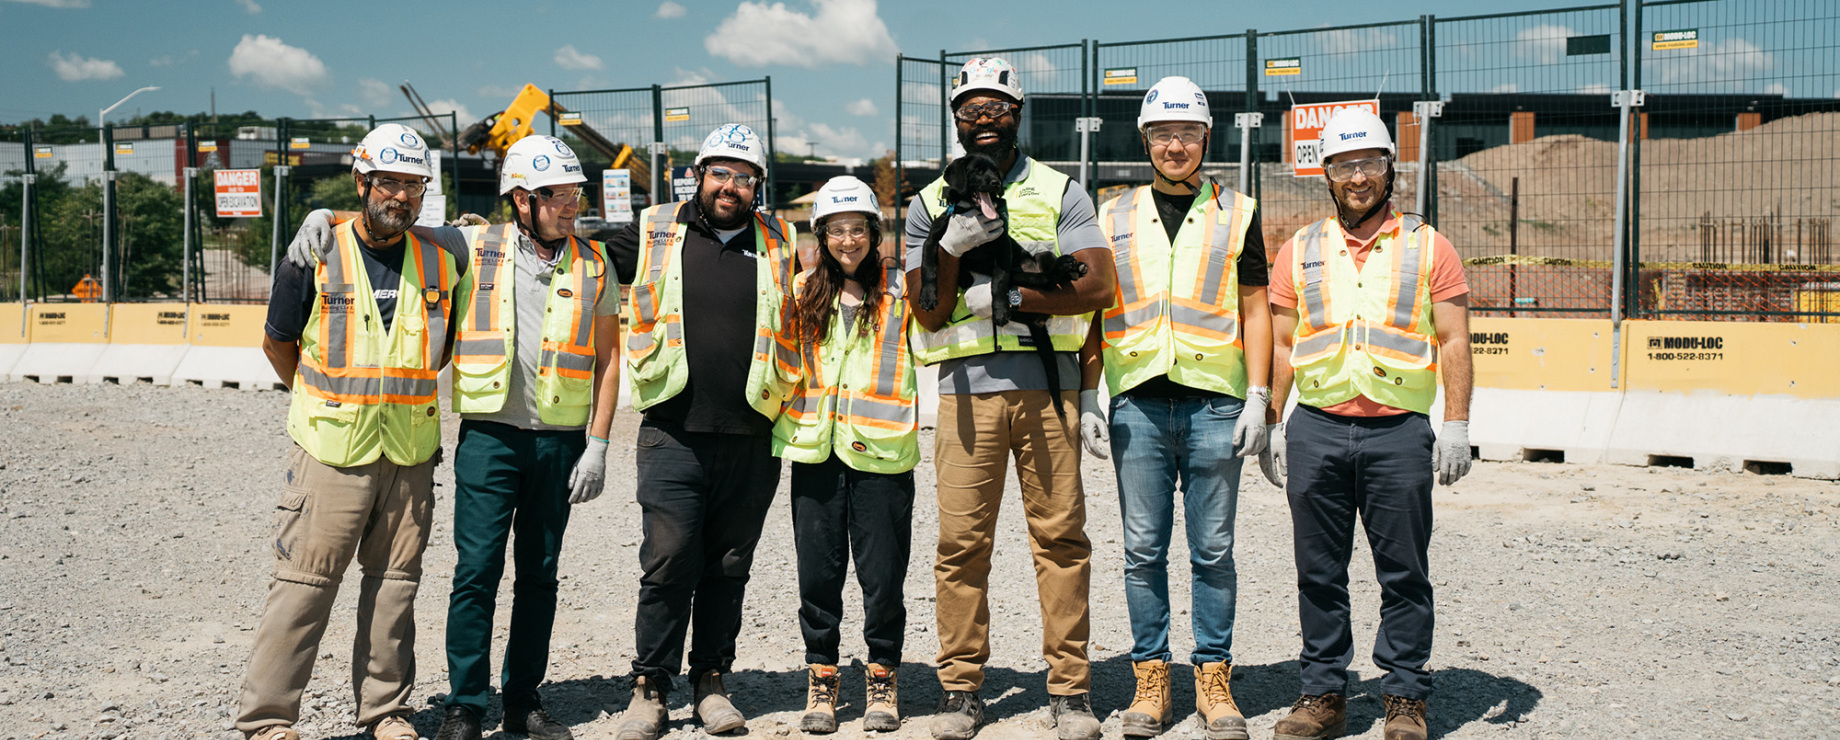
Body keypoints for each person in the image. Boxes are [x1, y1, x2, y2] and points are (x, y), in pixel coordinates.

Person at [284, 135, 624, 740]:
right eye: (559, 195)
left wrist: (598, 443)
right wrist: (326, 215)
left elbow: (609, 359)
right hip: (489, 439)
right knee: (477, 572)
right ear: (521, 200)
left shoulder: (595, 263)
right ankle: (466, 704)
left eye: (576, 193)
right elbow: (390, 218)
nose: (572, 205)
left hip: (559, 442)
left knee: (540, 573)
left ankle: (523, 701)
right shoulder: (472, 244)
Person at [905, 57, 1117, 740]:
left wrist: (1013, 294)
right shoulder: (926, 201)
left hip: (1047, 392)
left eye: (996, 107)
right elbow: (925, 311)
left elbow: (1097, 287)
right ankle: (961, 690)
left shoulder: (1061, 192)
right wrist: (949, 252)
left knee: (1061, 540)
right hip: (966, 397)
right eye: (971, 110)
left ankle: (1070, 691)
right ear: (956, 121)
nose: (984, 120)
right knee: (961, 544)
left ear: (1018, 113)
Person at [238, 123, 463, 740]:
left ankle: (386, 712)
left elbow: (437, 353)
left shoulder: (443, 259)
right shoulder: (315, 251)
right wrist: (318, 399)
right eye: (389, 182)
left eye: (414, 184)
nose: (402, 196)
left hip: (410, 449)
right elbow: (277, 342)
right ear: (362, 181)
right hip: (331, 449)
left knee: (395, 587)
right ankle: (268, 720)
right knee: (304, 584)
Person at [1258, 107, 1474, 740]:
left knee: (1403, 570)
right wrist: (1273, 421)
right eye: (1345, 165)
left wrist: (1456, 423)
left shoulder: (1430, 246)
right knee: (1318, 571)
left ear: (1390, 169)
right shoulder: (1299, 250)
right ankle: (1323, 692)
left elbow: (1456, 340)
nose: (1358, 177)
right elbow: (1280, 343)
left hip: (1398, 434)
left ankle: (1405, 696)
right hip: (1317, 428)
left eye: (1370, 164)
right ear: (1326, 173)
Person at [1077, 76, 1271, 740]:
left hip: (1216, 403)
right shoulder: (1112, 215)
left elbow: (1255, 310)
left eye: (1187, 133)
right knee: (1141, 551)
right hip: (1137, 403)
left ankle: (1213, 679)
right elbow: (1096, 311)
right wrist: (1088, 395)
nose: (1175, 144)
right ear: (1146, 140)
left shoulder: (1238, 211)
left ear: (1206, 139)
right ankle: (1151, 680)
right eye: (1163, 133)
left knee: (1213, 551)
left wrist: (1262, 396)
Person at [609, 123, 801, 740]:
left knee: (728, 565)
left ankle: (711, 682)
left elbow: (855, 261)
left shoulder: (783, 239)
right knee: (667, 561)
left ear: (759, 188)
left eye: (745, 178)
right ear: (698, 175)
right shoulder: (652, 229)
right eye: (721, 173)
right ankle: (650, 686)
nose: (731, 187)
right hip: (673, 429)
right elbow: (558, 244)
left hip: (751, 432)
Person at [774, 176, 917, 734]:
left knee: (883, 578)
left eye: (858, 229)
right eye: (837, 230)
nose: (849, 241)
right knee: (818, 575)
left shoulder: (901, 291)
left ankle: (882, 676)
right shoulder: (801, 288)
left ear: (875, 233)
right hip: (815, 450)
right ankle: (823, 678)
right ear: (822, 235)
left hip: (881, 453)